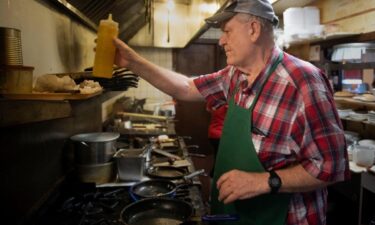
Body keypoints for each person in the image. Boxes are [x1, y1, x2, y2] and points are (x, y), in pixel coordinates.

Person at [112, 0, 350, 224]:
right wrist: (132, 62)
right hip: (236, 214)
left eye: (227, 31)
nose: (221, 41)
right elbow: (185, 88)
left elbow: (333, 166)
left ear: (254, 29)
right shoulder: (235, 75)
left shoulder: (303, 82)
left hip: (285, 218)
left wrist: (266, 181)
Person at [207, 104, 228, 177]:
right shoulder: (227, 106)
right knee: (220, 159)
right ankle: (214, 176)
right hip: (221, 135)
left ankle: (213, 175)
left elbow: (208, 109)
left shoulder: (214, 103)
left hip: (212, 134)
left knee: (217, 156)